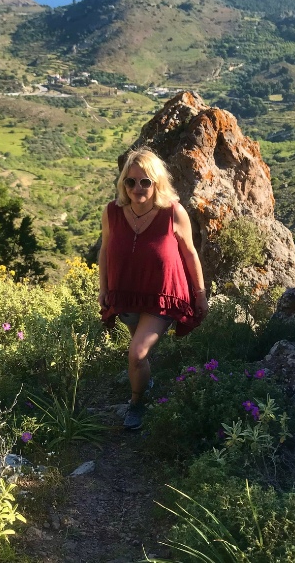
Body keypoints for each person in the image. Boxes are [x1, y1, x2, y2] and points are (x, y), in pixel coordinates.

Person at [98, 148, 208, 430]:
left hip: (164, 296)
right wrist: (103, 289)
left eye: (145, 181)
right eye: (130, 182)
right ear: (123, 184)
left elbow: (190, 254)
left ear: (156, 182)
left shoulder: (173, 212)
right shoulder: (112, 212)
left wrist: (200, 294)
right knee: (139, 354)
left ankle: (137, 404)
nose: (137, 188)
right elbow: (105, 251)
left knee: (136, 353)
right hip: (127, 294)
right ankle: (146, 381)